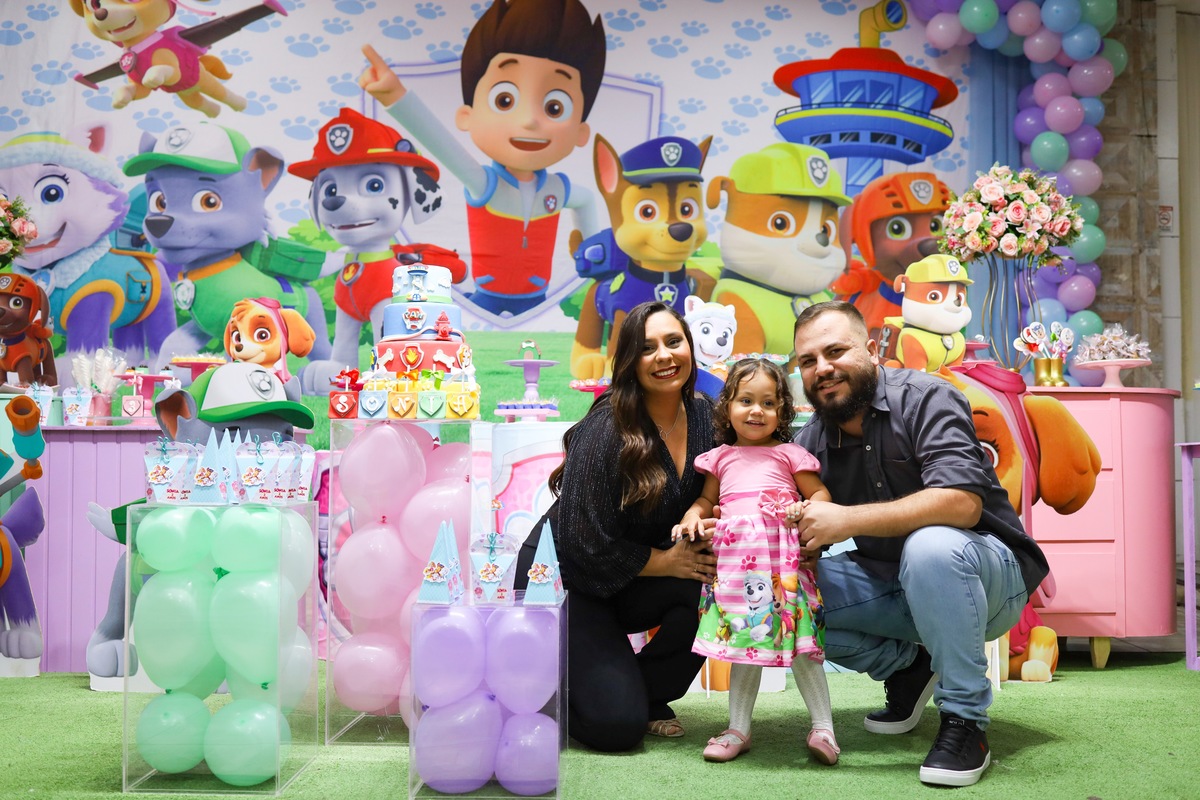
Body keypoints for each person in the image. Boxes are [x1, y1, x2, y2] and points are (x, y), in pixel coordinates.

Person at [789, 300, 1049, 787]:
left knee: (931, 545)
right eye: (808, 361)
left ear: (870, 350)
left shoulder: (927, 397)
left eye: (835, 351)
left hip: (986, 578)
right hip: (896, 585)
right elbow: (797, 544)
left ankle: (966, 720)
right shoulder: (809, 444)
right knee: (784, 593)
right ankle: (910, 667)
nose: (823, 368)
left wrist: (845, 520)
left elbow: (962, 506)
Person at [515, 300, 717, 752]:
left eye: (673, 341)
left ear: (689, 347)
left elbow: (723, 484)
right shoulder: (608, 427)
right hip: (565, 578)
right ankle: (557, 692)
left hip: (631, 576)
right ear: (629, 362)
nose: (664, 356)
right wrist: (666, 562)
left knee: (712, 585)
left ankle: (636, 690)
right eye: (647, 348)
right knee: (616, 730)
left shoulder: (706, 415)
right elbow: (583, 545)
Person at [358, 0, 606, 316]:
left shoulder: (558, 189)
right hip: (486, 299)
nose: (529, 121)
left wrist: (595, 256)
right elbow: (442, 144)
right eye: (505, 100)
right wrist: (396, 98)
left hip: (537, 301)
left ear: (581, 131)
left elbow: (586, 202)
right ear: (467, 116)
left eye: (554, 107)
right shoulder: (483, 183)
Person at [673, 358, 840, 766]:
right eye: (746, 400)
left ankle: (824, 728)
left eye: (768, 403)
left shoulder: (789, 454)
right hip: (737, 574)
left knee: (803, 647)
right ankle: (737, 728)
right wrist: (692, 517)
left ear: (783, 411)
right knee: (744, 645)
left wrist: (803, 510)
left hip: (786, 573)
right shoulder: (721, 458)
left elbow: (821, 497)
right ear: (727, 406)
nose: (756, 410)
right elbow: (705, 501)